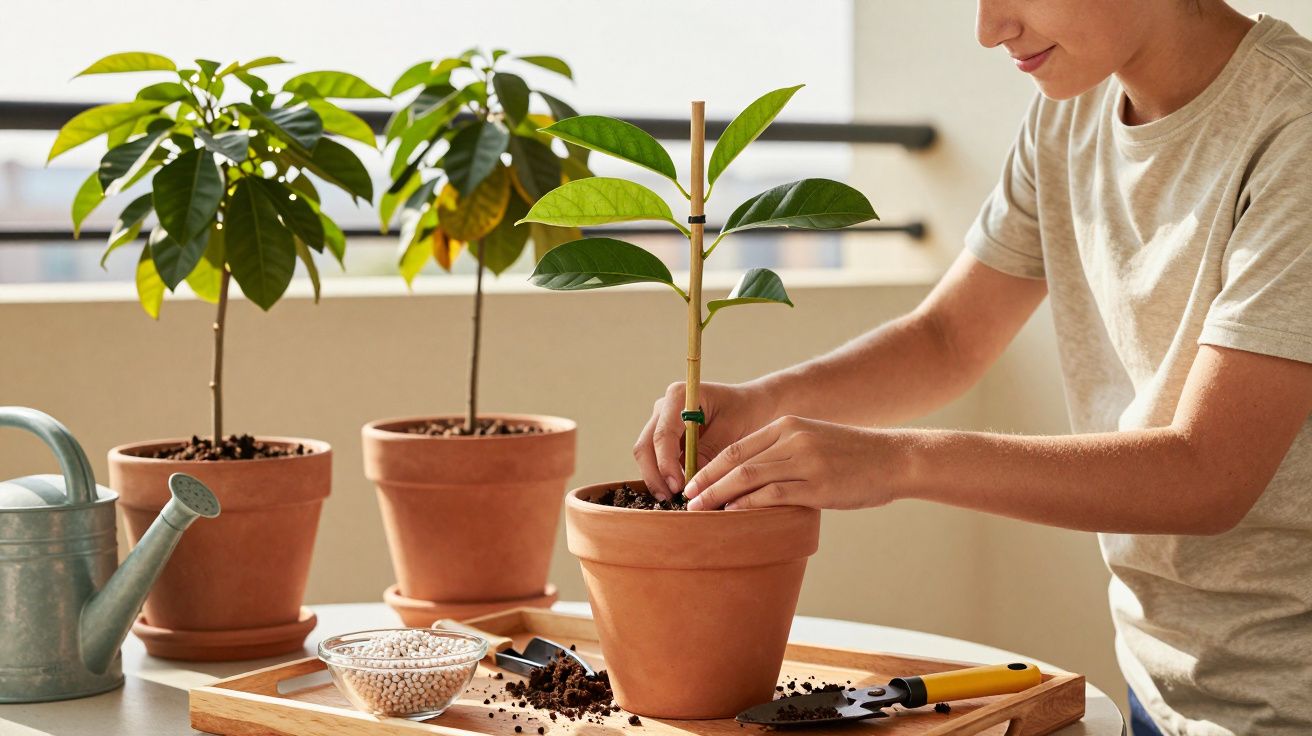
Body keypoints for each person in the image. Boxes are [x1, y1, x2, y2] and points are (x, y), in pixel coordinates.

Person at [633, 2, 1312, 734]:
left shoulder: (1293, 131)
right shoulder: (1071, 111)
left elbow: (1208, 474)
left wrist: (898, 463)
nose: (990, 29)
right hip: (1161, 676)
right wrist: (761, 401)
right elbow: (949, 338)